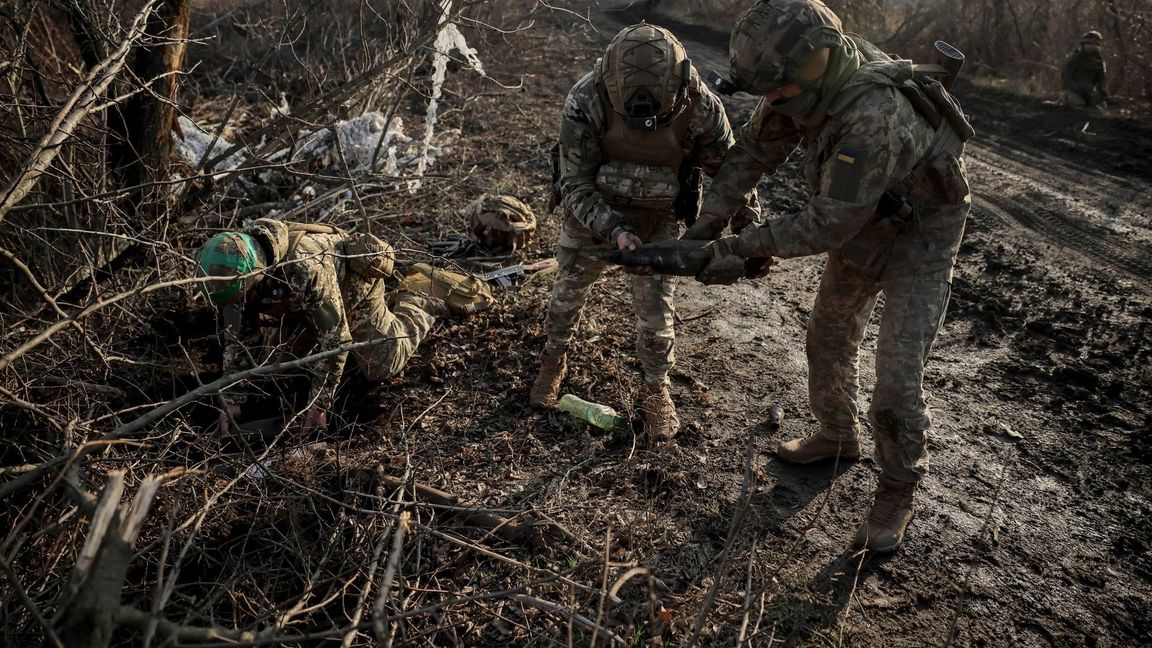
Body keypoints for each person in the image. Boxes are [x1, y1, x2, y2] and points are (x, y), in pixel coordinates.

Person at [685, 0, 972, 552]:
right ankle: (837, 436)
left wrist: (733, 248)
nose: (772, 101)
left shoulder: (873, 116)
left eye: (778, 91)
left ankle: (897, 488)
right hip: (866, 221)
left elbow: (826, 224)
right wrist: (703, 227)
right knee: (829, 337)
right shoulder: (801, 80)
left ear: (812, 65)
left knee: (897, 378)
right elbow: (752, 154)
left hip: (921, 239)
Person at [529, 22, 758, 447]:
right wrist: (614, 229)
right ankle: (553, 360)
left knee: (656, 317)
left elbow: (732, 174)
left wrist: (750, 227)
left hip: (659, 216)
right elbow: (574, 183)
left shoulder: (699, 105)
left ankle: (655, 389)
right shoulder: (588, 97)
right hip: (592, 213)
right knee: (565, 298)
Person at [197, 218, 445, 435]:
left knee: (383, 364)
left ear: (256, 276)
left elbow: (337, 342)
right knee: (277, 370)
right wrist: (232, 399)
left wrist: (319, 404)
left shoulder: (305, 268)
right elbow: (239, 337)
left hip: (351, 290)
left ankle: (419, 296)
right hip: (300, 305)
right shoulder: (231, 266)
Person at [1061, 31, 1108, 108]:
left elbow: (1102, 78)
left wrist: (1102, 90)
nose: (1091, 46)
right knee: (1079, 105)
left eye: (1094, 44)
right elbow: (1066, 79)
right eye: (1088, 43)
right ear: (1083, 45)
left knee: (1101, 107)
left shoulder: (1098, 61)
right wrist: (1079, 90)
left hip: (1090, 91)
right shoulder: (1074, 59)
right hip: (1073, 92)